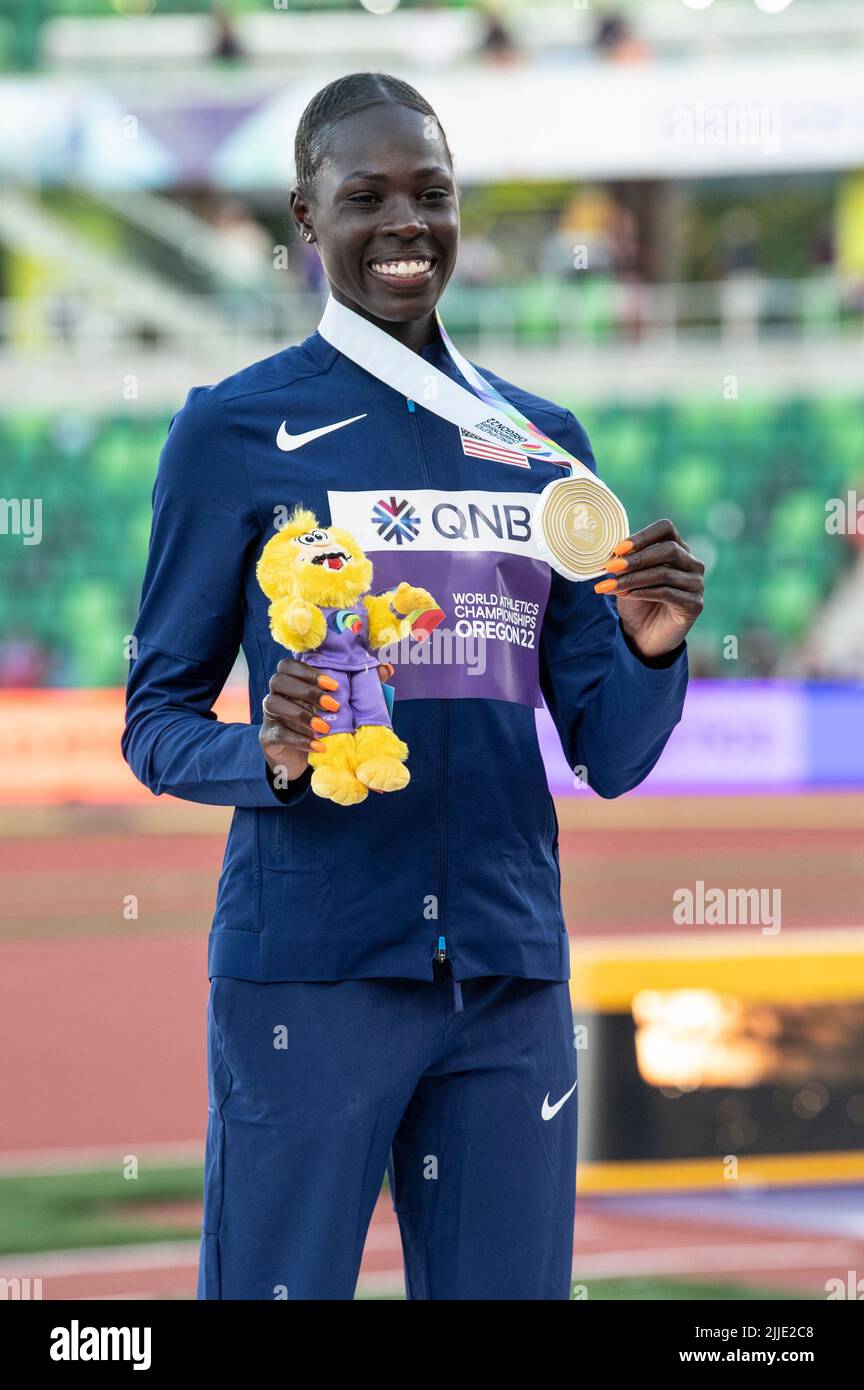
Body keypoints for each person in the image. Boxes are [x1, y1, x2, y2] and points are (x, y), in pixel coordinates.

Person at [122, 72, 703, 1301]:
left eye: (431, 195)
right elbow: (156, 723)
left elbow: (610, 749)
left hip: (507, 974)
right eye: (366, 195)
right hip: (312, 971)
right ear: (304, 213)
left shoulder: (545, 446)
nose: (405, 223)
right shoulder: (232, 429)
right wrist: (268, 755)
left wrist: (651, 650)